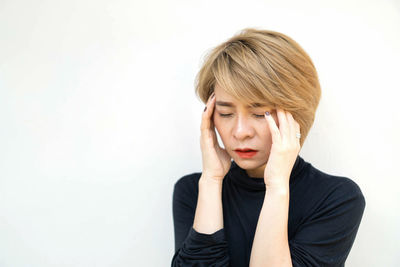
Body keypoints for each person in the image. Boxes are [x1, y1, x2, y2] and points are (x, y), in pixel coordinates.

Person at [171, 28, 365, 267]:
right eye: (225, 113)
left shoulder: (337, 199)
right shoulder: (193, 191)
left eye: (259, 113)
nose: (241, 132)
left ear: (296, 115)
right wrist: (211, 181)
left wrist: (276, 188)